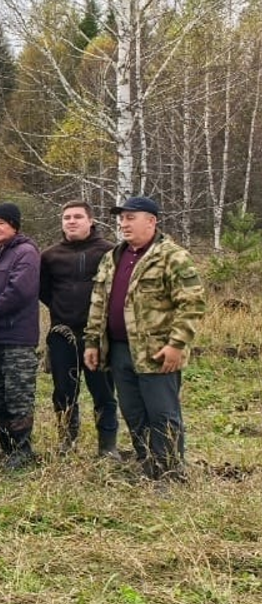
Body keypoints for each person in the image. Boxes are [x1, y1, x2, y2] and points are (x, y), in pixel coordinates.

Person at [84, 196, 205, 481]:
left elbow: (192, 304)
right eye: (122, 218)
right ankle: (148, 466)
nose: (124, 224)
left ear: (151, 221)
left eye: (131, 218)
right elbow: (98, 302)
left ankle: (171, 473)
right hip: (120, 350)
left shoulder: (172, 256)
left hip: (156, 352)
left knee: (162, 414)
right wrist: (92, 342)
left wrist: (176, 344)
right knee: (134, 412)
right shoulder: (113, 256)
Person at [40, 201, 118, 457]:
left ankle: (107, 446)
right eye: (66, 217)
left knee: (103, 390)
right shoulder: (50, 256)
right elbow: (44, 291)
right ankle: (66, 441)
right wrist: (63, 308)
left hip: (97, 335)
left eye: (77, 217)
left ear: (90, 221)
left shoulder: (109, 252)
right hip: (62, 334)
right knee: (63, 391)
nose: (71, 221)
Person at [0, 202, 42, 469]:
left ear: (14, 226)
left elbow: (18, 292)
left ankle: (22, 448)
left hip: (16, 337)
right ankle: (6, 447)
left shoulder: (26, 253)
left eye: (1, 223)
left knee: (18, 396)